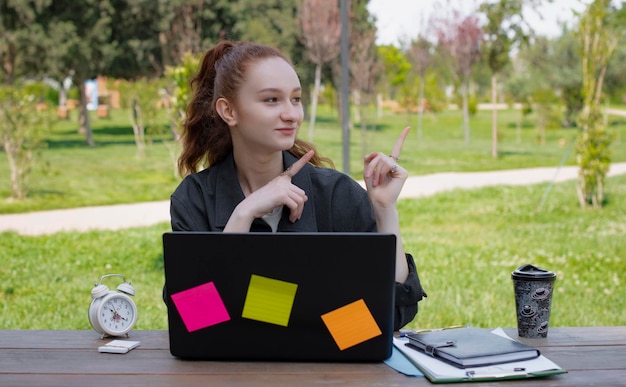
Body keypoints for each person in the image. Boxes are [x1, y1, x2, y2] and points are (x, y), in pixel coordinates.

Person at [168, 40, 426, 330]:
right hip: (234, 373)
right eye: (271, 100)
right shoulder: (194, 199)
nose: (292, 114)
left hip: (329, 372)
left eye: (296, 99)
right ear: (229, 111)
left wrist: (384, 210)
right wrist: (243, 215)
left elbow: (392, 313)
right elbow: (198, 319)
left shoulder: (336, 195)